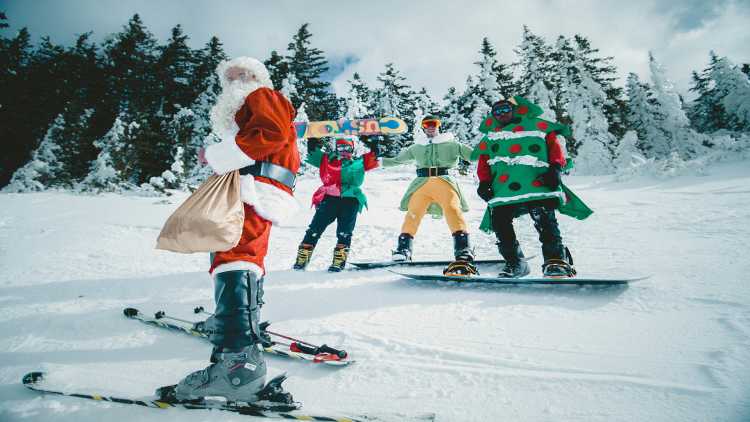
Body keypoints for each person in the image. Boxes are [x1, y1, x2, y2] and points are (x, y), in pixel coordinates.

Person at [171, 56, 299, 402]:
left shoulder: (263, 96)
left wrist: (217, 155)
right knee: (243, 259)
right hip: (255, 189)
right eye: (230, 78)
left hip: (252, 188)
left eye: (245, 74)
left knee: (233, 257)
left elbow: (269, 135)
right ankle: (241, 338)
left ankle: (237, 364)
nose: (237, 81)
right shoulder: (249, 112)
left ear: (259, 78)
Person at [473, 96, 592, 278]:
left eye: (505, 109)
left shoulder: (537, 126)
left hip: (537, 185)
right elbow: (484, 160)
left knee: (544, 219)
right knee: (500, 223)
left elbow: (554, 147)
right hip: (504, 189)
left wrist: (555, 168)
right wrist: (484, 182)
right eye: (497, 111)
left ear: (516, 110)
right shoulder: (491, 136)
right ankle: (516, 263)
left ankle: (556, 261)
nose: (501, 114)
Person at [382, 115, 477, 276]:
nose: (431, 127)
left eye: (434, 124)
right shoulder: (416, 147)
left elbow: (475, 156)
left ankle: (463, 251)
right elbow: (397, 160)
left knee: (453, 210)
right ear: (423, 127)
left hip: (445, 182)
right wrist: (375, 162)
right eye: (427, 124)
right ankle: (403, 250)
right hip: (421, 185)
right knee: (412, 214)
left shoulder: (453, 144)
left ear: (439, 126)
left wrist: (493, 152)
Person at [293, 135, 380, 272]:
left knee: (345, 232)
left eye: (347, 148)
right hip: (329, 199)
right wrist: (313, 140)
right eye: (340, 147)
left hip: (351, 201)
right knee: (314, 229)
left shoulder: (359, 162)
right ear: (336, 149)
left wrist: (374, 143)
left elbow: (375, 157)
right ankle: (302, 259)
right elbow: (312, 153)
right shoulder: (326, 160)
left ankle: (338, 261)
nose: (344, 151)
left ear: (352, 149)